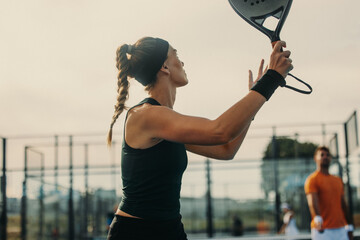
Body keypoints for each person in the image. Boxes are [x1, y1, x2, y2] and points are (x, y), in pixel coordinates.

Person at [106, 36, 293, 240]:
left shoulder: (168, 124)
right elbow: (219, 130)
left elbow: (226, 148)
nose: (182, 62)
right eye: (176, 54)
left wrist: (255, 99)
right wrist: (271, 78)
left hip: (169, 229)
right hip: (136, 233)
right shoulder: (146, 115)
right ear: (165, 67)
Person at [304, 146, 354, 240]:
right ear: (316, 158)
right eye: (322, 155)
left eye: (327, 155)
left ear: (330, 158)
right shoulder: (312, 179)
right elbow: (312, 202)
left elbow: (343, 204)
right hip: (322, 230)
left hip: (341, 229)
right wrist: (318, 219)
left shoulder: (338, 180)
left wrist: (349, 226)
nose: (325, 157)